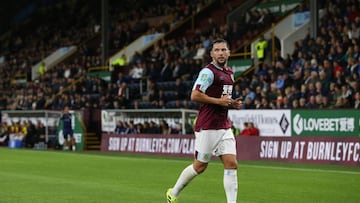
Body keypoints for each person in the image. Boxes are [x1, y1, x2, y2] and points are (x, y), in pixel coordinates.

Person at [166, 38, 242, 203]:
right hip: (208, 126)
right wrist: (219, 102)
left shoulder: (229, 73)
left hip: (224, 125)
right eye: (217, 50)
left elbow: (223, 98)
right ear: (212, 53)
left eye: (223, 50)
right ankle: (174, 192)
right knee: (200, 166)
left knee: (231, 163)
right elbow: (195, 95)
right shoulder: (208, 72)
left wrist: (232, 103)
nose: (221, 53)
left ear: (229, 52)